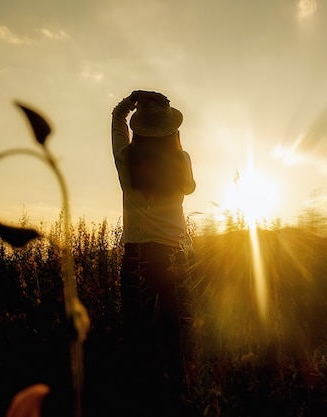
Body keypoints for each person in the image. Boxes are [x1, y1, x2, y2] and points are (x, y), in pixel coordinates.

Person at [111, 90, 196, 416]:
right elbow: (190, 188)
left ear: (139, 128)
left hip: (138, 255)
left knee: (136, 331)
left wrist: (132, 100)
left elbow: (117, 118)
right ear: (171, 130)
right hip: (174, 254)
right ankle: (178, 393)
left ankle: (140, 395)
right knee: (175, 327)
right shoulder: (181, 159)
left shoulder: (126, 159)